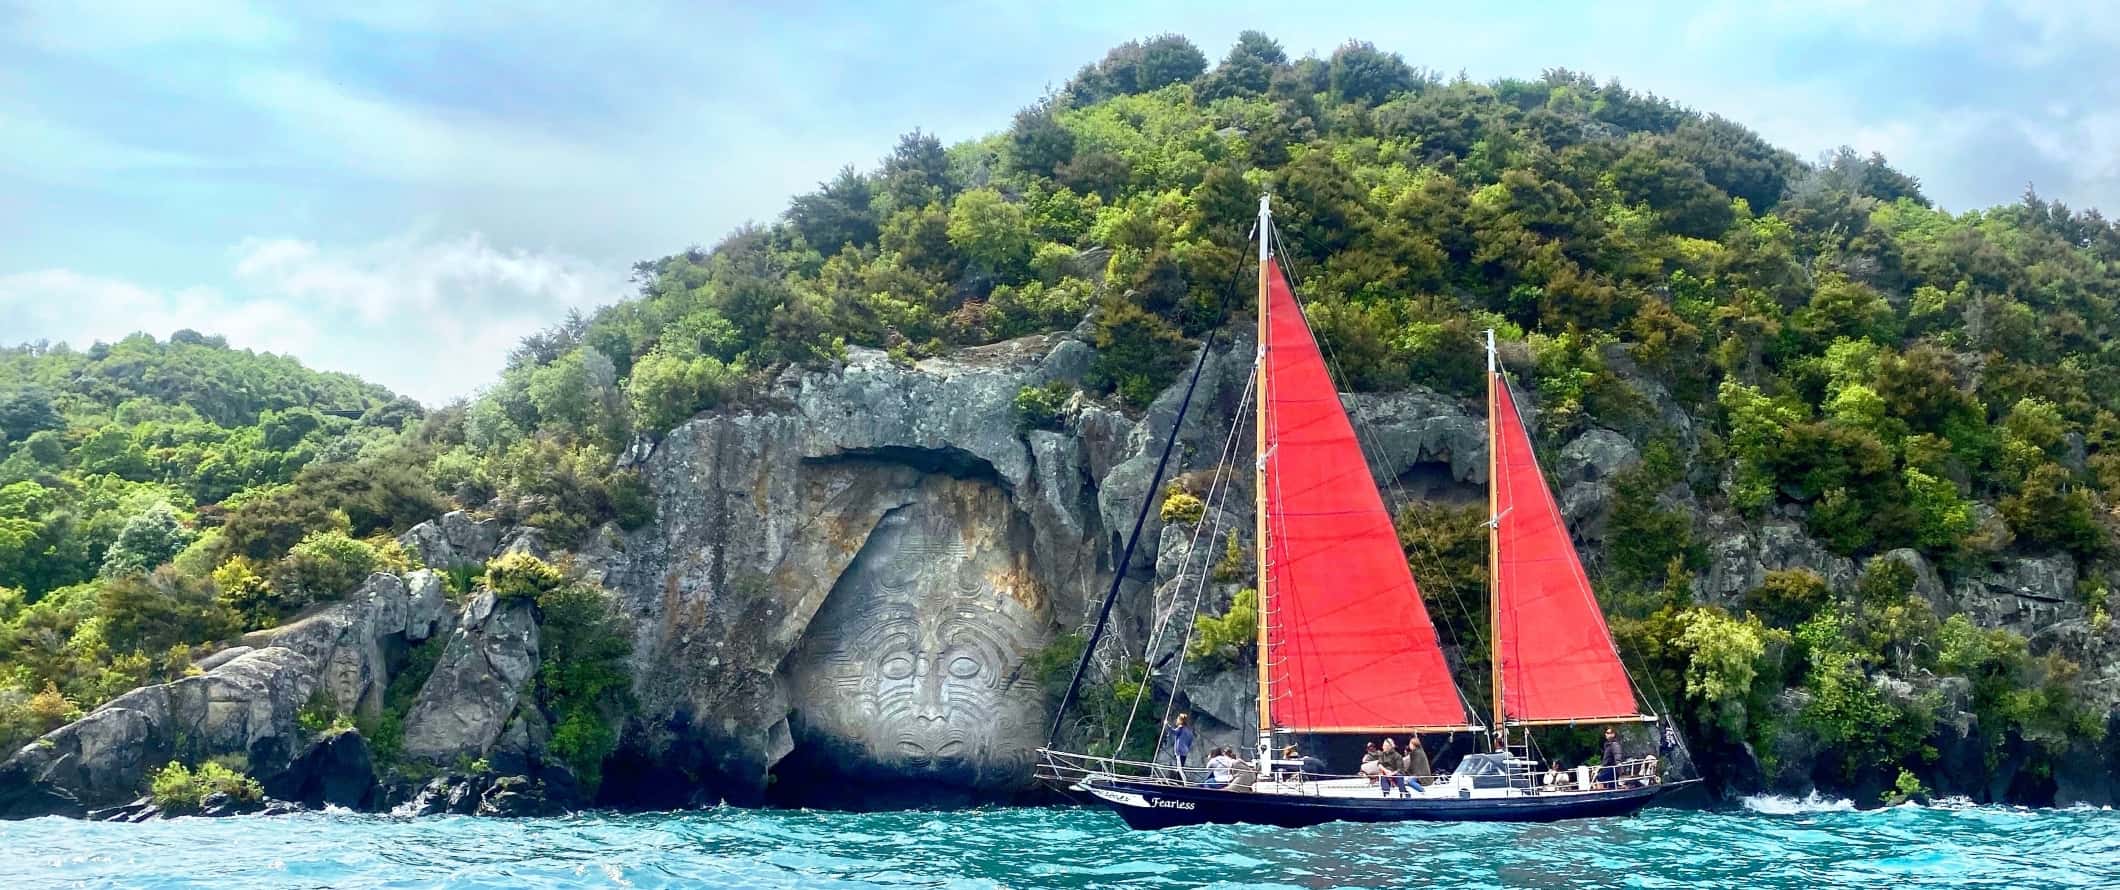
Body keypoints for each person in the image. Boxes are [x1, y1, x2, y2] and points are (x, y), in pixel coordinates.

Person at [1166, 714, 1195, 781]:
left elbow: (1174, 732)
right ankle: (1179, 782)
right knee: (1180, 768)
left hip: (1180, 751)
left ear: (1180, 720)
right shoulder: (1189, 731)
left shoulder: (1181, 728)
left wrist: (1167, 724)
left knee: (1179, 769)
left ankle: (1184, 783)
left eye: (1178, 719)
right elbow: (1190, 741)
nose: (1177, 720)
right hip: (1185, 751)